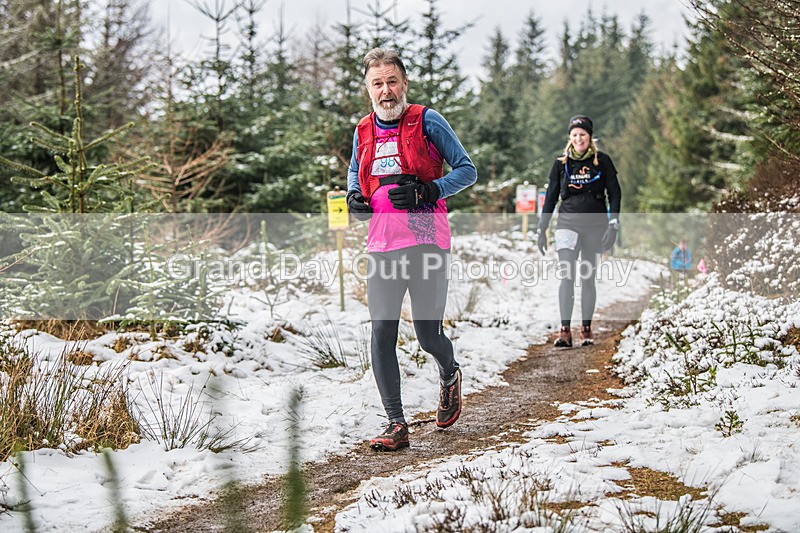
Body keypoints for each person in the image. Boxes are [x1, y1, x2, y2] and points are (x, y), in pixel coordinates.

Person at [346, 48, 477, 451]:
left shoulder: (427, 120)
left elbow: (467, 170)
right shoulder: (363, 130)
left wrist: (429, 190)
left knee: (427, 335)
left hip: (426, 239)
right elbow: (354, 171)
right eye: (377, 83)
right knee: (382, 331)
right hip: (382, 243)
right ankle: (396, 423)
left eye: (391, 81)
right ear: (368, 88)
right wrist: (353, 196)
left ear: (404, 83)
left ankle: (449, 372)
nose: (385, 90)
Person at [536, 115, 622, 348]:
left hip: (595, 226)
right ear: (570, 137)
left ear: (589, 136)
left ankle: (586, 328)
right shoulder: (560, 164)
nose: (578, 138)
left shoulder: (602, 161)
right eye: (574, 135)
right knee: (567, 276)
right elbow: (551, 196)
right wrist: (542, 228)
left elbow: (615, 193)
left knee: (587, 277)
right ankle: (565, 331)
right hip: (567, 225)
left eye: (582, 134)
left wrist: (613, 223)